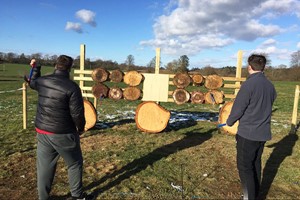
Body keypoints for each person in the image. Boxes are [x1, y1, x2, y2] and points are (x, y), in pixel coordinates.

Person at [29, 55, 94, 200]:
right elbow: (77, 113)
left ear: (55, 65)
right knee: (75, 163)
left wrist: (35, 68)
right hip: (63, 133)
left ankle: (43, 197)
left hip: (42, 131)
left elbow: (32, 83)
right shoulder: (72, 87)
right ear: (70, 68)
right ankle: (77, 196)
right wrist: (81, 127)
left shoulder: (43, 81)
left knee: (44, 166)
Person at [226, 54, 277, 200]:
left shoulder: (248, 85)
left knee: (245, 167)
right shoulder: (270, 86)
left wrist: (230, 122)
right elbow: (269, 102)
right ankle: (255, 195)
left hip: (248, 134)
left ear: (249, 67)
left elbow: (238, 108)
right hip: (262, 133)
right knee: (255, 164)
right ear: (264, 67)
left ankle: (249, 196)